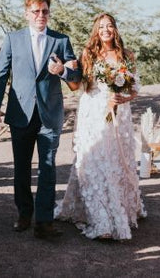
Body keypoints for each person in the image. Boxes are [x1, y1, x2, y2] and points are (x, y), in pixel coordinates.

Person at [0, 0, 81, 239]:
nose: (41, 15)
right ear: (26, 13)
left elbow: (76, 76)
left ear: (49, 14)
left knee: (48, 169)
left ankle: (44, 221)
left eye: (45, 11)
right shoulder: (12, 39)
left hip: (49, 115)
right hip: (21, 115)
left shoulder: (61, 41)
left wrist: (62, 70)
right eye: (36, 11)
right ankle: (24, 214)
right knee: (21, 168)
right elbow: (0, 74)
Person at [55, 13, 146, 240]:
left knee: (116, 160)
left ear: (115, 29)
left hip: (118, 114)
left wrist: (123, 99)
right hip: (93, 111)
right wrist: (63, 71)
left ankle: (123, 207)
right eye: (101, 26)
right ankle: (101, 220)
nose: (106, 30)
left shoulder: (127, 55)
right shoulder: (89, 54)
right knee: (94, 161)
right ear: (96, 30)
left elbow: (134, 88)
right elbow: (77, 86)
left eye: (110, 26)